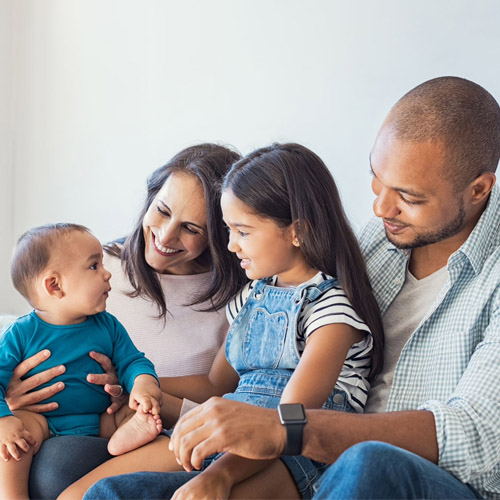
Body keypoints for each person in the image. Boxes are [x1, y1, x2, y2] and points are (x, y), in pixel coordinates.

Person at [85, 76, 500, 500]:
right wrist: (142, 382)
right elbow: (222, 384)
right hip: (309, 453)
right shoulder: (379, 241)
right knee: (111, 494)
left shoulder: (336, 304)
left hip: (400, 473)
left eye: (409, 197)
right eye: (377, 180)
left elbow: (476, 433)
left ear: (479, 188)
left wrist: (283, 430)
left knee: (367, 462)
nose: (379, 208)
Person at [59, 142, 384, 499]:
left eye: (242, 232)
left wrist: (219, 476)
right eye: (228, 231)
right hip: (225, 430)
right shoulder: (251, 297)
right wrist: (135, 380)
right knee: (85, 494)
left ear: (297, 231)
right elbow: (215, 383)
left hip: (290, 454)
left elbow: (290, 422)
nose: (230, 246)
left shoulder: (331, 312)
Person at [4, 143, 247, 499]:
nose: (165, 237)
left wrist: (140, 386)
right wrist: (10, 400)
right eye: (162, 211)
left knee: (58, 466)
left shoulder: (238, 299)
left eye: (191, 228)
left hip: (150, 427)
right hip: (56, 420)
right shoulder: (93, 268)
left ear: (219, 233)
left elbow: (222, 393)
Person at [0, 223, 163, 499]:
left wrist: (143, 386)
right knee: (14, 441)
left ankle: (123, 439)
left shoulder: (108, 326)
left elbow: (132, 360)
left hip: (102, 419)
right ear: (54, 285)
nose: (107, 272)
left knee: (138, 416)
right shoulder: (21, 333)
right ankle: (12, 496)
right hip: (42, 420)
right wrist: (4, 420)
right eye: (94, 266)